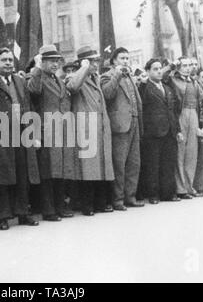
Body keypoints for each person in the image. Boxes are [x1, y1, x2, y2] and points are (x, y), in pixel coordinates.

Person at [0, 48, 40, 231]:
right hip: (0, 132)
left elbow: (27, 105)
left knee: (22, 174)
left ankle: (22, 212)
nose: (9, 63)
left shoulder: (19, 80)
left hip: (21, 132)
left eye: (10, 59)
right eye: (4, 60)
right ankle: (3, 216)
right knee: (2, 176)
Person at [27, 45, 75, 222]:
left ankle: (59, 206)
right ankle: (49, 210)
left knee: (60, 170)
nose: (55, 64)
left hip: (61, 129)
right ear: (42, 61)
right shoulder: (38, 76)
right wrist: (37, 69)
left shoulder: (58, 79)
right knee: (48, 172)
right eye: (50, 61)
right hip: (46, 130)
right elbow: (33, 90)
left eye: (57, 61)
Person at [66, 46, 115, 216]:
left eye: (96, 61)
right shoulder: (75, 75)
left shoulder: (95, 77)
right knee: (87, 169)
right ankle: (87, 205)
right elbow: (72, 87)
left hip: (99, 126)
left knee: (100, 167)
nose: (96, 64)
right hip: (86, 127)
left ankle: (99, 203)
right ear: (84, 62)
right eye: (92, 61)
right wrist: (84, 68)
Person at [100, 47, 144, 210]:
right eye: (122, 58)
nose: (126, 61)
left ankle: (130, 196)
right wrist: (117, 74)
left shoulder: (129, 77)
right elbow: (107, 94)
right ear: (113, 61)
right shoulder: (107, 76)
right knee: (119, 164)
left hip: (134, 122)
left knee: (134, 163)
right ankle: (117, 199)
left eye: (127, 58)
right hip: (119, 125)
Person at [139, 58, 182, 204]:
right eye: (155, 69)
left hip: (169, 131)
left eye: (159, 69)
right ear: (148, 71)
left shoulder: (167, 87)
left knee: (168, 163)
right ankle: (153, 195)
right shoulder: (145, 88)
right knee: (153, 164)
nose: (158, 71)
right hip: (153, 133)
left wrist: (177, 130)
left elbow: (173, 111)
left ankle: (168, 193)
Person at [164, 57, 203, 199]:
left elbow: (201, 104)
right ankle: (180, 189)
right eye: (184, 65)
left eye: (189, 65)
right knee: (180, 153)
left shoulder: (195, 81)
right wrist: (172, 66)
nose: (188, 68)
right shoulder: (172, 79)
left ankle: (189, 187)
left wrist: (201, 126)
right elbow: (163, 76)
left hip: (193, 114)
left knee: (191, 153)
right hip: (180, 115)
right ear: (178, 67)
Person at [191, 58, 203, 196]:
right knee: (195, 156)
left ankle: (201, 185)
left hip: (202, 121)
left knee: (202, 155)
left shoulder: (197, 82)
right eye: (190, 64)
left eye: (194, 64)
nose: (193, 67)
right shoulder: (191, 83)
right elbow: (200, 100)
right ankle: (196, 186)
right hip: (194, 120)